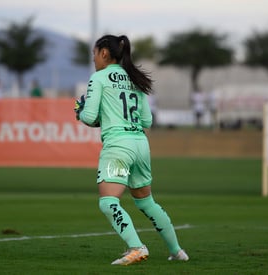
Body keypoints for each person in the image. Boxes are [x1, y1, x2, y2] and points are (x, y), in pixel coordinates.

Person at [74, 34, 189, 265]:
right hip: (140, 144)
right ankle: (177, 251)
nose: (94, 59)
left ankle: (136, 248)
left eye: (94, 54)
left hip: (118, 146)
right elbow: (146, 121)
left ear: (104, 53)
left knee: (108, 202)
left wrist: (81, 112)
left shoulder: (99, 78)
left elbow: (88, 116)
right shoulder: (134, 78)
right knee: (146, 202)